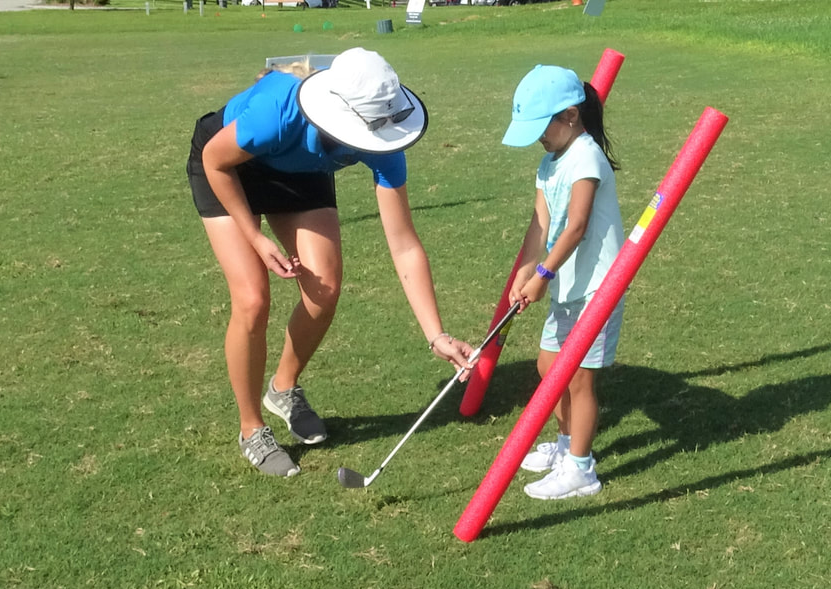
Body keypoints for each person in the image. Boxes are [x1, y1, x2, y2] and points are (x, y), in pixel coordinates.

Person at [186, 47, 474, 477]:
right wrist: (255, 237)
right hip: (228, 165)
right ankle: (251, 429)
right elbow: (215, 159)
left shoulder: (384, 135)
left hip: (300, 172)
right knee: (252, 300)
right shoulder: (277, 110)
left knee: (325, 290)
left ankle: (283, 388)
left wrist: (436, 334)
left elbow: (404, 244)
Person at [502, 65, 624, 500]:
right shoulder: (549, 161)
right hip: (565, 281)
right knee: (547, 368)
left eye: (542, 127)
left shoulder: (586, 156)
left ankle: (581, 469)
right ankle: (562, 446)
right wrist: (526, 268)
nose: (538, 137)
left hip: (598, 286)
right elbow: (541, 223)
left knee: (578, 380)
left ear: (570, 117)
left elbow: (575, 226)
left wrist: (542, 275)